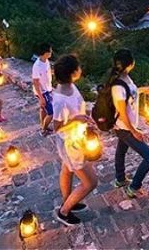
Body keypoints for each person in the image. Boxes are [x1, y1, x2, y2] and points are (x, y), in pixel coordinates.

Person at [52, 54, 97, 226]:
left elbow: (77, 109)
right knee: (91, 182)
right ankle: (64, 212)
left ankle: (69, 201)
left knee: (67, 170)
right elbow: (56, 127)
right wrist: (76, 120)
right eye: (78, 67)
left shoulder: (70, 87)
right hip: (70, 144)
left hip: (76, 137)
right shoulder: (60, 99)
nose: (80, 69)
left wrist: (84, 118)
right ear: (72, 72)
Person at [110, 49, 149, 198]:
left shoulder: (125, 78)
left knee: (121, 151)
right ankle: (134, 186)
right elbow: (122, 111)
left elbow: (131, 93)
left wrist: (142, 90)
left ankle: (120, 179)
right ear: (130, 64)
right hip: (124, 128)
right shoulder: (117, 85)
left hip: (124, 127)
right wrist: (134, 131)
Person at [32, 43, 54, 136]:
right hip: (42, 91)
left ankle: (43, 126)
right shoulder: (37, 66)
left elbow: (48, 73)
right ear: (46, 52)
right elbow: (35, 83)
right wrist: (41, 97)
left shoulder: (46, 61)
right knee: (51, 113)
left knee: (43, 109)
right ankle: (44, 130)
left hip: (47, 89)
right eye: (50, 50)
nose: (51, 52)